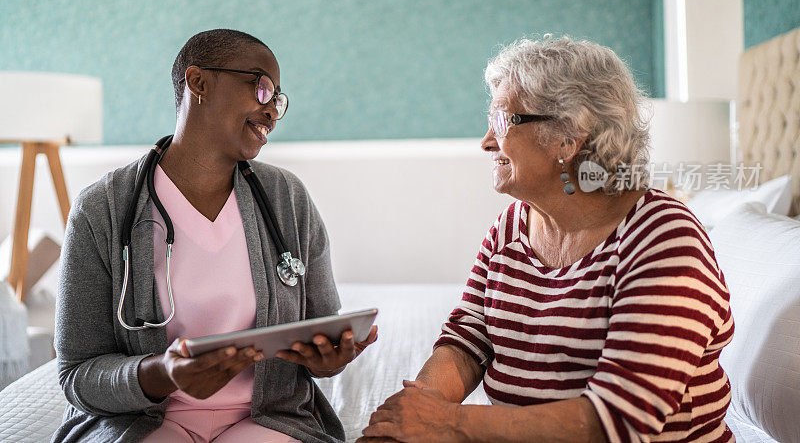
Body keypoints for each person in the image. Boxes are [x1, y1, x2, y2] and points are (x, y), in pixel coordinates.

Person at [360, 36, 734, 442]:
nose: (486, 141)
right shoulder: (512, 227)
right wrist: (408, 421)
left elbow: (622, 418)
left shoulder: (664, 238)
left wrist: (448, 424)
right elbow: (469, 338)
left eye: (503, 121)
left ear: (568, 138)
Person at [53, 29, 377, 443]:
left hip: (267, 421)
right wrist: (163, 374)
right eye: (262, 89)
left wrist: (329, 360)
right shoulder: (103, 209)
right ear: (199, 83)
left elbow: (323, 329)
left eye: (278, 101)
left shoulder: (287, 199)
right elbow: (77, 374)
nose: (272, 112)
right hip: (141, 421)